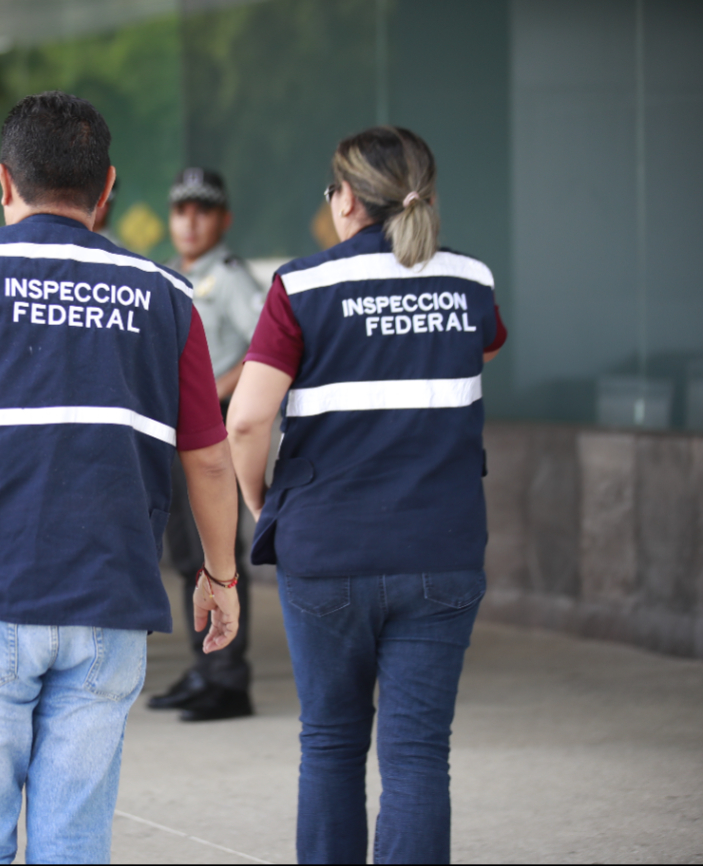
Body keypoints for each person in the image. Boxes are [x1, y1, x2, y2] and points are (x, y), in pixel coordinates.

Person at [0, 91, 241, 864]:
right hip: (108, 607)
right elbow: (208, 456)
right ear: (107, 188)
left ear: (4, 183)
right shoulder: (166, 296)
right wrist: (219, 574)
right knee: (72, 843)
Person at [225, 126, 508, 865]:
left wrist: (263, 503)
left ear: (345, 198)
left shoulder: (302, 286)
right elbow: (477, 347)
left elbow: (248, 418)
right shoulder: (470, 281)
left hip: (327, 546)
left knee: (329, 742)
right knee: (417, 755)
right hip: (441, 546)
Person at [149, 168, 264, 722]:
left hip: (213, 426)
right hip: (174, 430)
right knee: (185, 553)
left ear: (224, 219)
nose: (190, 221)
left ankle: (228, 680)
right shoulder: (170, 276)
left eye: (203, 210)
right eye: (181, 210)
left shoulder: (231, 277)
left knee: (217, 552)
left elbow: (264, 349)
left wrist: (208, 397)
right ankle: (205, 666)